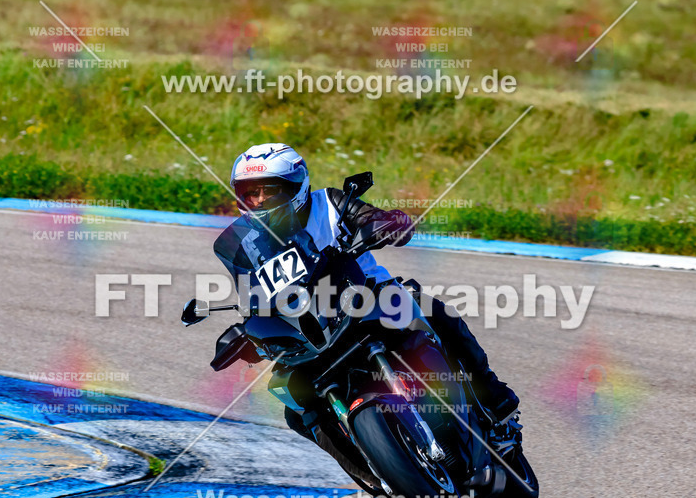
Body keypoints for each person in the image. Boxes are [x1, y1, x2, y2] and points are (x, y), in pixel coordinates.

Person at [212, 143, 520, 457]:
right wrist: (251, 332)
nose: (259, 200)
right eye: (250, 193)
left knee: (432, 310)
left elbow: (371, 217)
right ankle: (373, 471)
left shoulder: (329, 203)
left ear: (296, 187)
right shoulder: (247, 245)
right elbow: (253, 298)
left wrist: (387, 223)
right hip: (309, 329)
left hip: (368, 296)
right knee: (296, 409)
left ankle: (492, 395)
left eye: (269, 191)